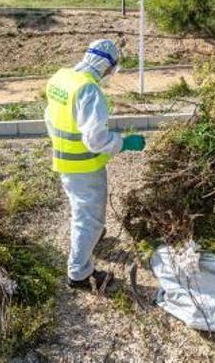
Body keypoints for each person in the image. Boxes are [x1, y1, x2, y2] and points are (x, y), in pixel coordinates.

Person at [45, 39, 146, 290]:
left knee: (80, 209)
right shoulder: (89, 90)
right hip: (84, 167)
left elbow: (49, 116)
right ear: (108, 66)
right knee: (89, 218)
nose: (112, 73)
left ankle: (91, 239)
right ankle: (79, 274)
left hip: (64, 160)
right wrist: (125, 143)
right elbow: (95, 140)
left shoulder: (62, 78)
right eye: (113, 69)